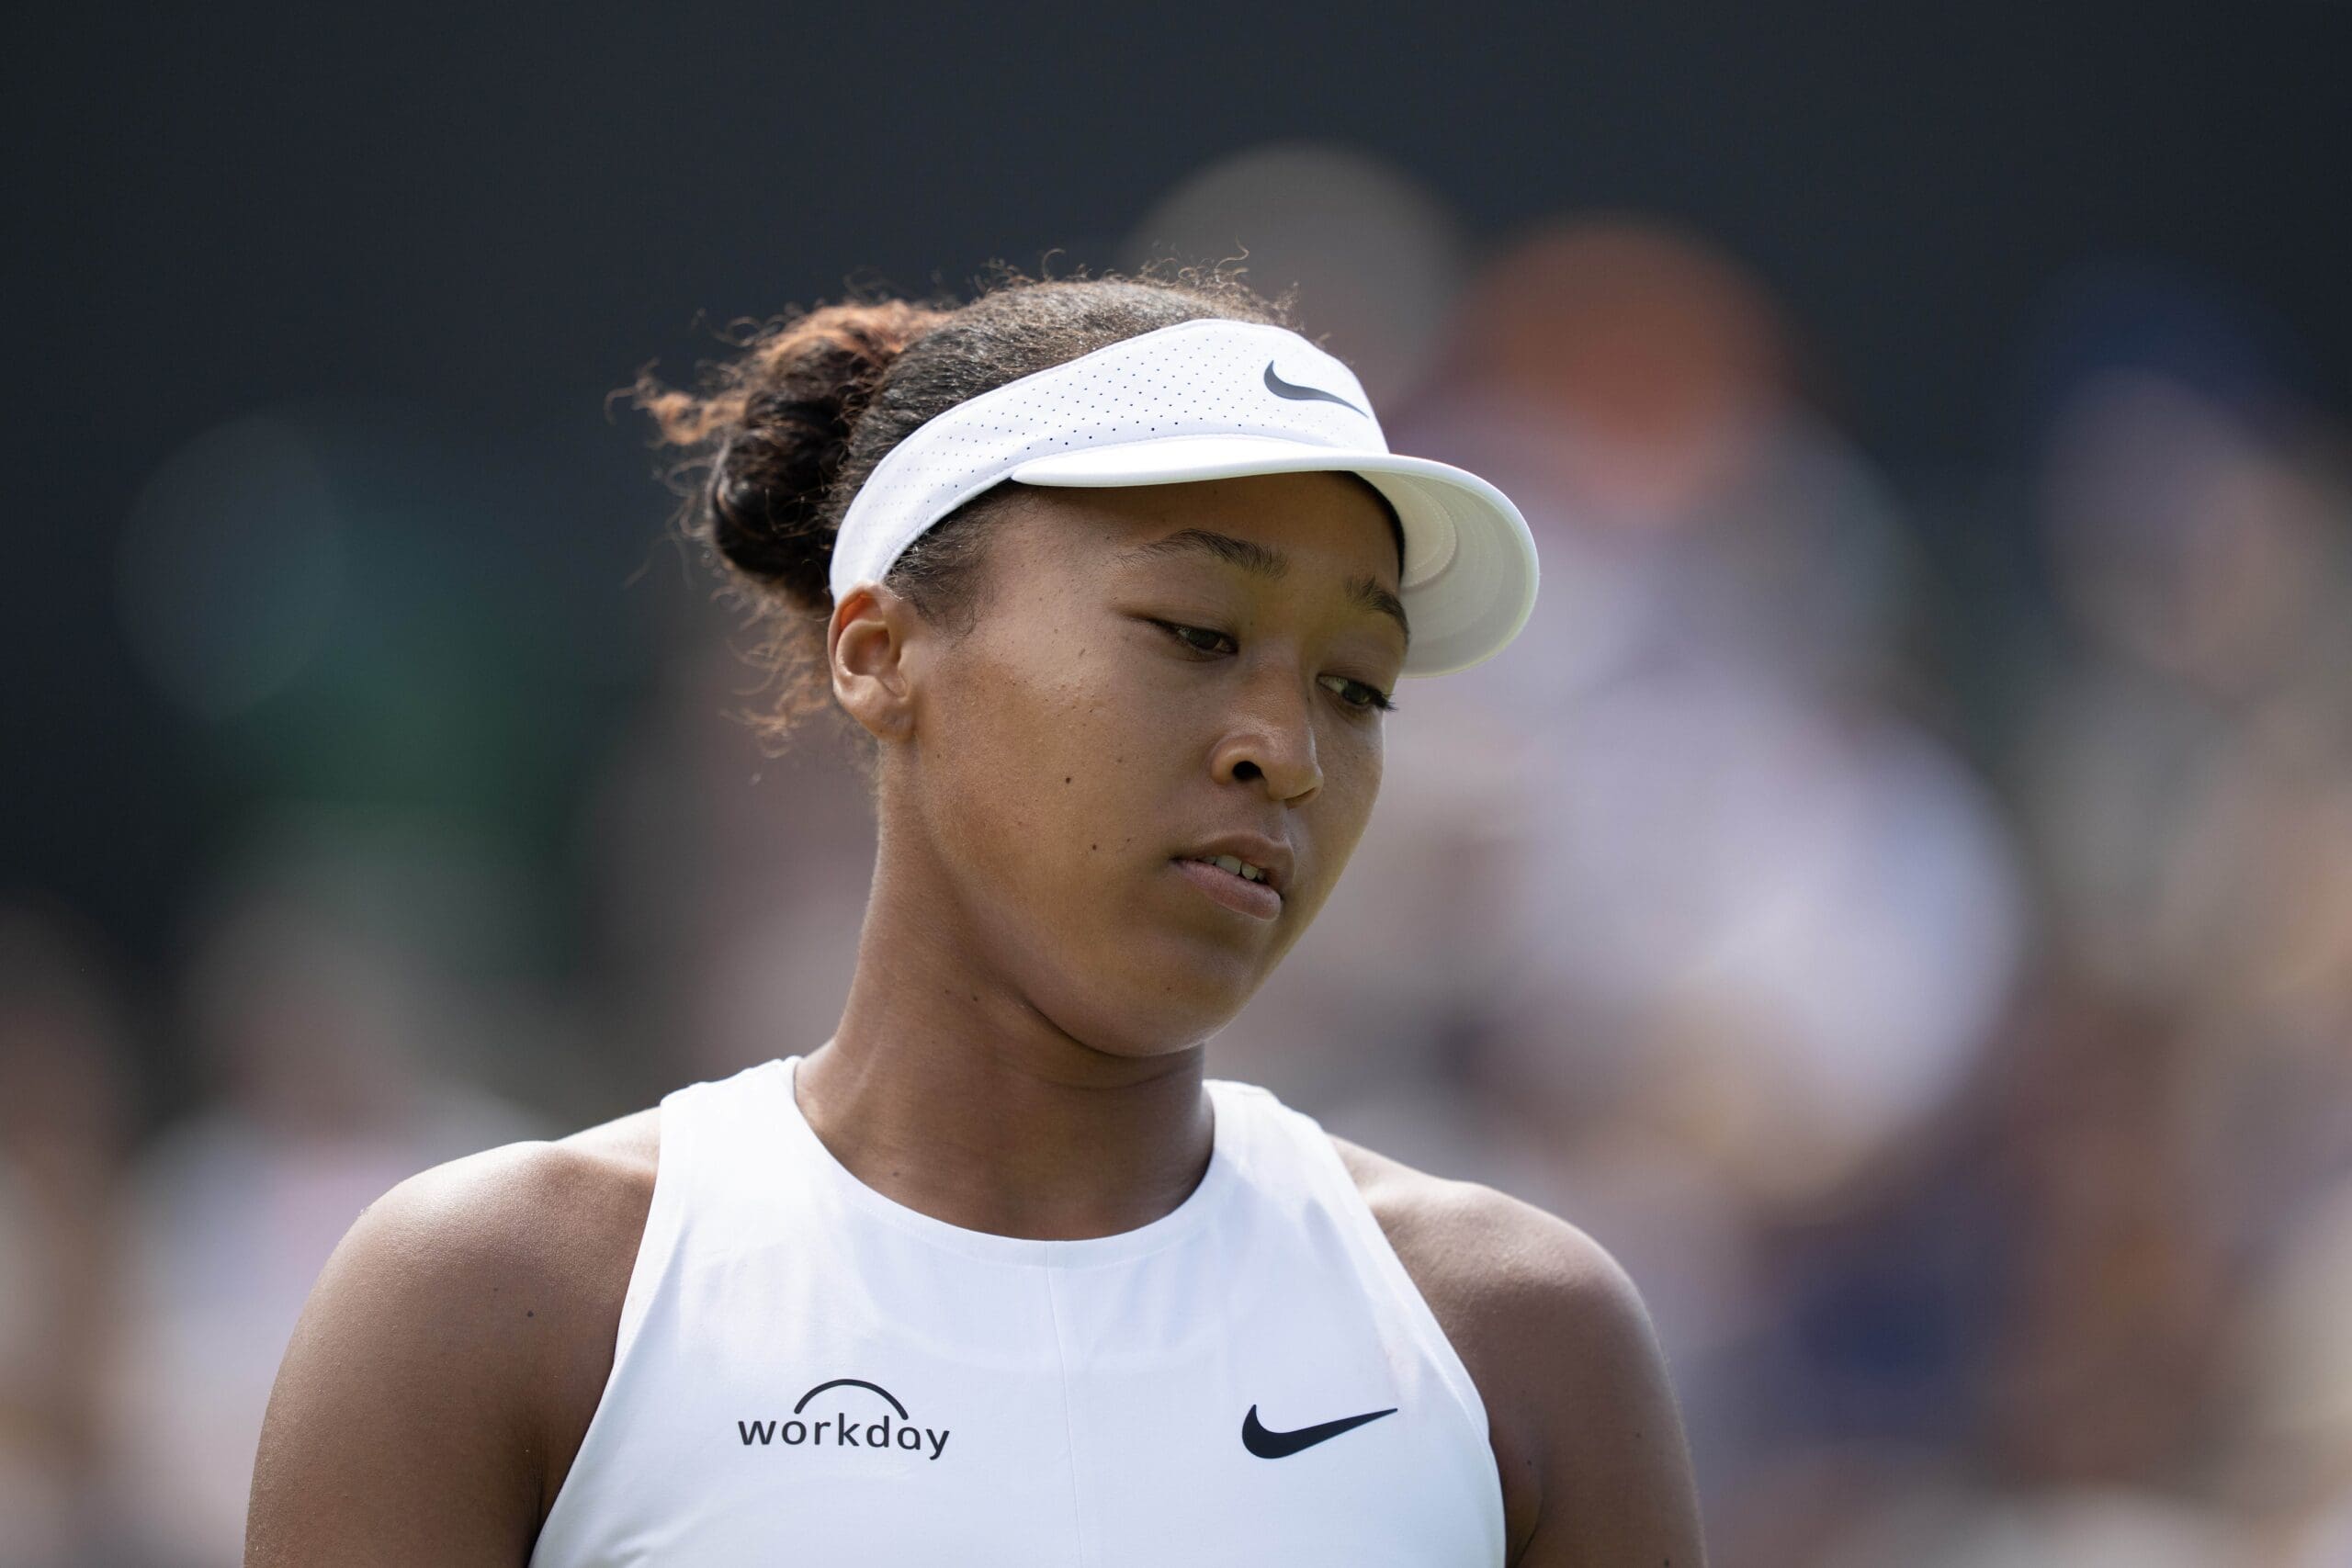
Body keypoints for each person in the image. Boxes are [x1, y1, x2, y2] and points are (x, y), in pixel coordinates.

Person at [243, 267, 1707, 1566]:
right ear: (880, 652)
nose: (1289, 750)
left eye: (1356, 687)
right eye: (1195, 631)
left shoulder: (1519, 1339)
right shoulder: (498, 1302)